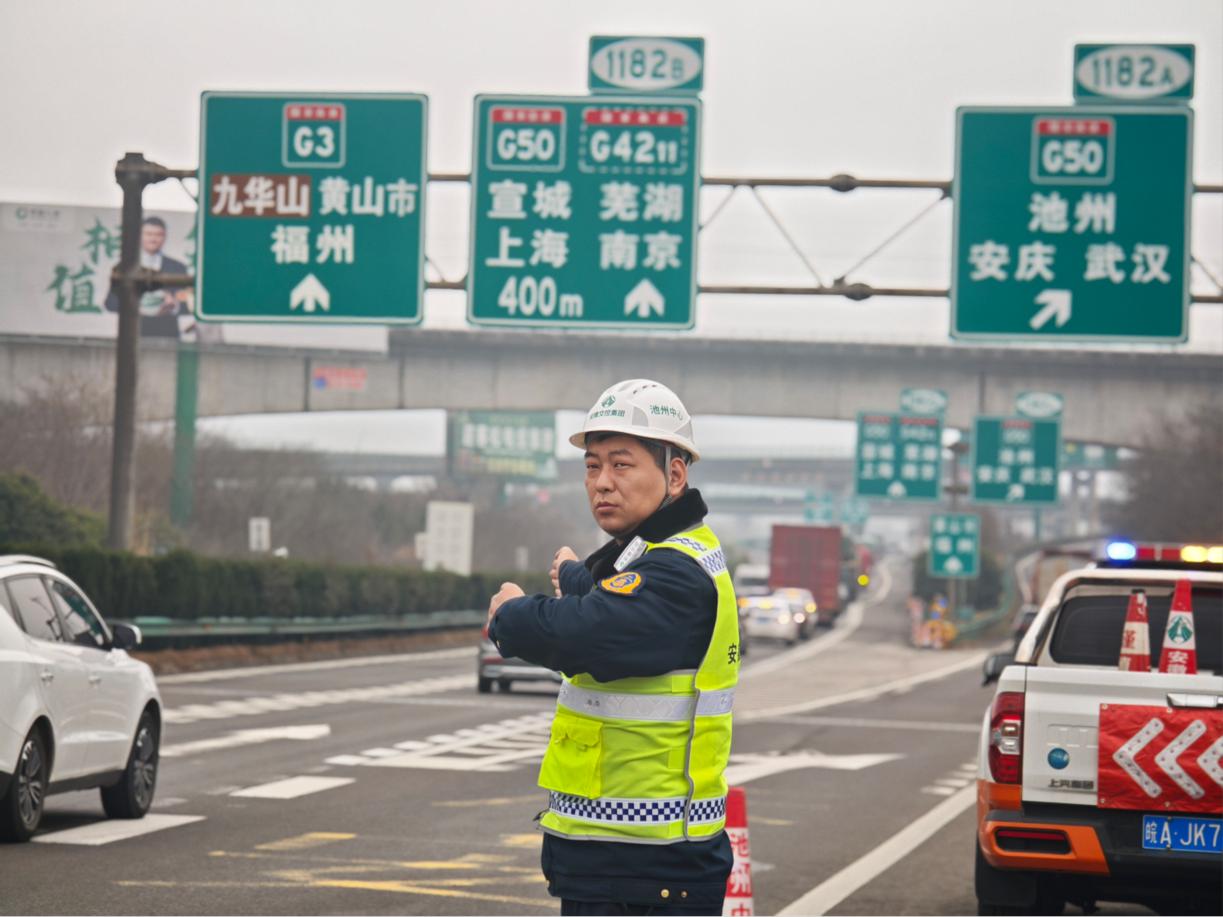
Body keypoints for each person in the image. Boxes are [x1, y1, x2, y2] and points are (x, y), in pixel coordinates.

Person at [487, 379, 740, 916]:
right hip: (626, 866)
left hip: (647, 871)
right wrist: (579, 575)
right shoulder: (668, 553)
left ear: (674, 474)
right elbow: (620, 592)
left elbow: (584, 632)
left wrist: (508, 614)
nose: (601, 482)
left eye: (621, 465)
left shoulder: (677, 572)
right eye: (592, 465)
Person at [105, 215, 191, 339]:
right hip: (132, 336)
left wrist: (173, 306)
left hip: (167, 336)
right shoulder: (125, 267)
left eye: (158, 235)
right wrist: (135, 306)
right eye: (148, 234)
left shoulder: (177, 267)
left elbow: (189, 304)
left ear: (165, 237)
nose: (153, 239)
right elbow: (111, 303)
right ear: (140, 236)